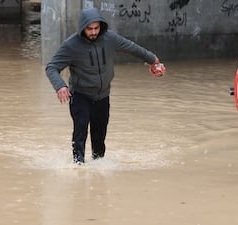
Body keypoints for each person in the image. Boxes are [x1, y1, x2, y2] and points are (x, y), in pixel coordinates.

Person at [45, 7, 165, 164]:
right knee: (80, 132)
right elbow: (51, 67)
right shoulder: (71, 45)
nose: (94, 32)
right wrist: (60, 86)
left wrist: (153, 60)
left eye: (96, 28)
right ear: (82, 28)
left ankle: (98, 165)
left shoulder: (110, 38)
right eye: (89, 29)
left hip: (102, 95)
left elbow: (132, 48)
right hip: (80, 95)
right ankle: (78, 166)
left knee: (99, 135)